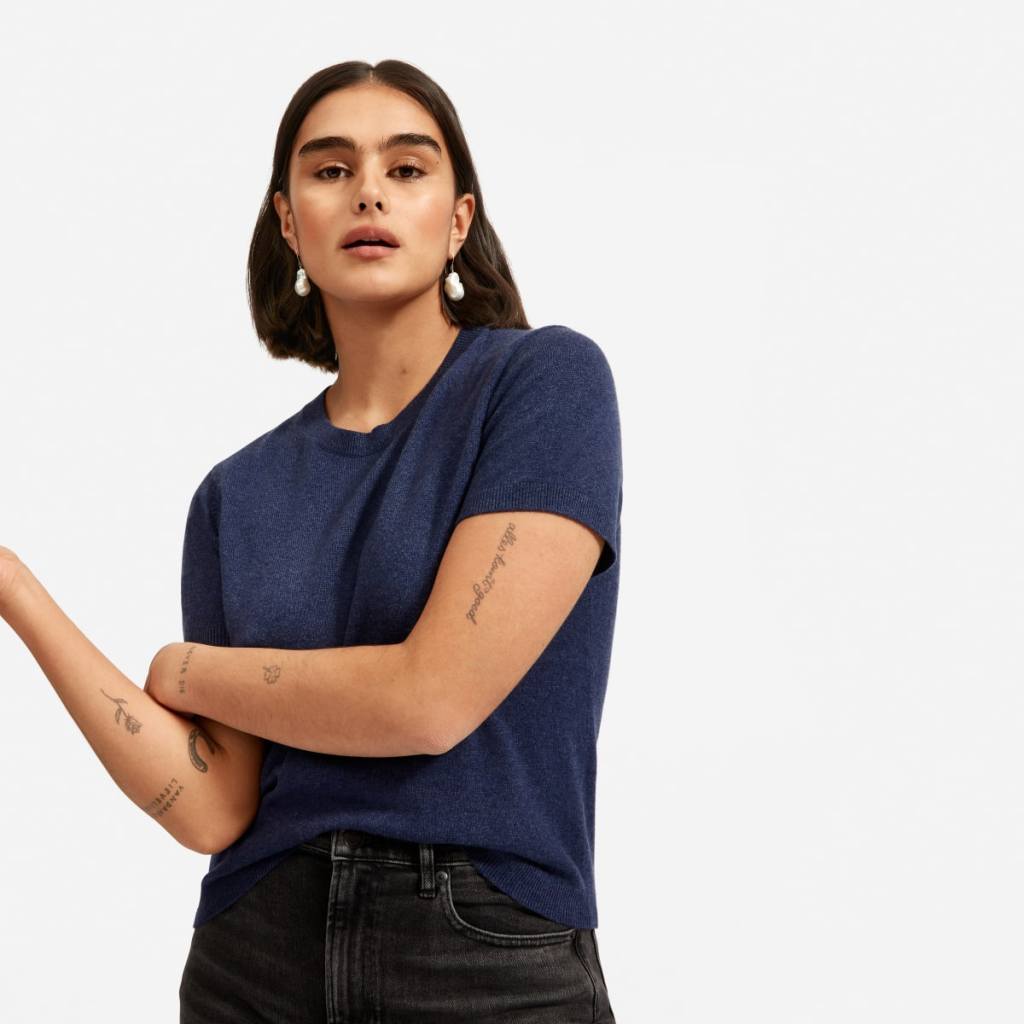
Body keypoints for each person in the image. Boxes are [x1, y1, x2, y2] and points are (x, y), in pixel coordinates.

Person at [0, 59, 620, 1023]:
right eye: (331, 170)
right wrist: (14, 589)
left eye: (406, 169)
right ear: (289, 222)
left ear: (459, 219)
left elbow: (431, 701)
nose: (368, 191)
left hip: (483, 951)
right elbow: (215, 805)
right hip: (254, 954)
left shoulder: (543, 385)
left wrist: (184, 670)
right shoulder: (234, 493)